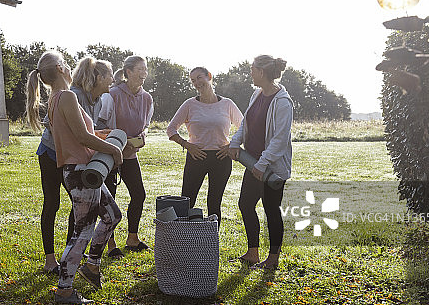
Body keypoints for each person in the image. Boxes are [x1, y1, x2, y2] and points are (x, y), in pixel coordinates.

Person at [27, 51, 124, 305]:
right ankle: (64, 289)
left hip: (86, 170)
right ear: (60, 68)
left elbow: (83, 133)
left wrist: (105, 135)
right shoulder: (66, 96)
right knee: (82, 231)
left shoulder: (59, 98)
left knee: (113, 215)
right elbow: (81, 138)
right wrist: (113, 149)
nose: (70, 68)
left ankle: (91, 265)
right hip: (80, 173)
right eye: (67, 64)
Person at [221, 55, 293, 271]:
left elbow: (280, 139)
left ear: (262, 72)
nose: (250, 72)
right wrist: (235, 142)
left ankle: (273, 258)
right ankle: (252, 253)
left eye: (252, 69)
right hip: (253, 164)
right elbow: (246, 124)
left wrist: (262, 165)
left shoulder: (283, 102)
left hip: (270, 169)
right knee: (245, 204)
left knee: (271, 210)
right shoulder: (256, 94)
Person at [167, 67, 243, 219]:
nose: (196, 83)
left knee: (214, 203)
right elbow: (171, 129)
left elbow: (245, 128)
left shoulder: (227, 104)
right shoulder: (190, 104)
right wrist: (187, 145)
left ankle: (212, 241)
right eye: (193, 80)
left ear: (209, 76)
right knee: (187, 201)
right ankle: (183, 239)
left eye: (199, 78)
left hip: (221, 159)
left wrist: (231, 145)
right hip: (196, 157)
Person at [70, 56, 124, 257]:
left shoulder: (99, 100)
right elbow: (78, 135)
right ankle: (73, 260)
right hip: (66, 160)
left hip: (84, 157)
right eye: (110, 75)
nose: (113, 79)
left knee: (93, 213)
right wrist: (113, 149)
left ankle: (83, 257)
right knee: (82, 213)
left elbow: (87, 132)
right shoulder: (74, 96)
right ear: (99, 77)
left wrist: (103, 135)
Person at [107, 55, 153, 252]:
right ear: (128, 72)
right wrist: (117, 145)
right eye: (140, 69)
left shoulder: (147, 98)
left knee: (138, 194)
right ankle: (109, 243)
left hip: (131, 154)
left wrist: (142, 136)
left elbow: (147, 125)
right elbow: (102, 125)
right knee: (110, 199)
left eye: (145, 69)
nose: (144, 73)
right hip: (109, 154)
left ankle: (132, 239)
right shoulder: (112, 94)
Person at [34, 112, 75, 276]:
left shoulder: (98, 99)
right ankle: (50, 261)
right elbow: (48, 123)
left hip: (71, 155)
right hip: (50, 153)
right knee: (52, 204)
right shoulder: (71, 94)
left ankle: (70, 252)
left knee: (78, 202)